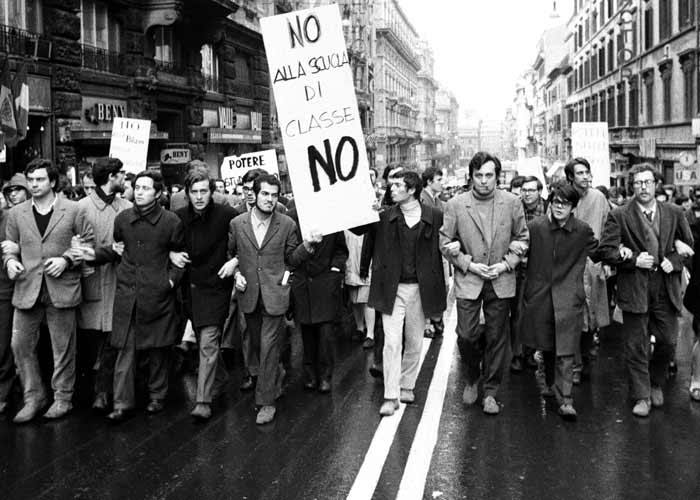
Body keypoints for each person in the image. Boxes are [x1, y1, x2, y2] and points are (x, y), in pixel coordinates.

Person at [599, 163, 693, 417]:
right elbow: (606, 250)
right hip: (635, 288)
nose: (643, 187)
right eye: (638, 183)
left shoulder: (673, 212)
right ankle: (642, 396)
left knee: (668, 341)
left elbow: (688, 247)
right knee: (636, 345)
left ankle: (655, 381)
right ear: (632, 186)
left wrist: (672, 261)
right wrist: (630, 259)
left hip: (665, 287)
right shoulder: (619, 214)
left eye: (648, 182)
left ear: (656, 184)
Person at [4, 158, 94, 423]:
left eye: (40, 179)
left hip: (61, 287)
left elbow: (87, 245)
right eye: (30, 180)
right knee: (19, 344)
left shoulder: (74, 210)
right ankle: (34, 397)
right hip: (27, 286)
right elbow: (10, 245)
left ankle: (62, 398)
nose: (34, 184)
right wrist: (10, 262)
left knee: (62, 347)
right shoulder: (17, 213)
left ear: (52, 181)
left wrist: (66, 259)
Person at [440, 152, 529, 415]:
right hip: (470, 278)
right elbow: (444, 243)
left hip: (500, 279)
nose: (484, 181)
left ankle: (490, 391)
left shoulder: (512, 202)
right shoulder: (456, 204)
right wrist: (468, 263)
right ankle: (471, 375)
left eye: (489, 175)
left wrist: (505, 264)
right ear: (471, 177)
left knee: (496, 337)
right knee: (466, 335)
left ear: (497, 177)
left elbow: (523, 239)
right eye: (478, 175)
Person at [353, 170, 446, 416]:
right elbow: (358, 229)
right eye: (391, 185)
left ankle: (407, 384)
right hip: (391, 288)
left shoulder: (434, 216)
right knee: (392, 343)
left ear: (412, 190)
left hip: (420, 289)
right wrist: (365, 210)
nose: (391, 189)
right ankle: (390, 395)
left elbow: (445, 245)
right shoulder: (383, 216)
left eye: (397, 186)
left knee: (414, 341)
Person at [228, 173, 318, 424]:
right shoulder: (237, 224)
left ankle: (265, 402)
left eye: (274, 195)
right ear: (254, 194)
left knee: (268, 348)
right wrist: (236, 274)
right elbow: (232, 254)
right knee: (259, 347)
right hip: (250, 297)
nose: (269, 199)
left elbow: (292, 260)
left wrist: (309, 245)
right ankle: (275, 373)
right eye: (264, 194)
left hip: (276, 297)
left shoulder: (287, 224)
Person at [103, 171, 185, 422]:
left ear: (158, 193)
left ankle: (157, 396)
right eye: (137, 187)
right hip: (129, 294)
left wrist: (168, 282)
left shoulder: (171, 222)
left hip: (157, 294)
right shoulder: (123, 219)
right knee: (125, 350)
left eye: (146, 188)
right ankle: (121, 402)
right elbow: (119, 247)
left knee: (158, 349)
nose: (139, 192)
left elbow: (180, 259)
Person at [522, 181, 599, 420]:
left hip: (568, 296)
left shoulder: (583, 230)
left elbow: (599, 251)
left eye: (565, 204)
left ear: (573, 207)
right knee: (546, 345)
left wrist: (624, 252)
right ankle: (550, 382)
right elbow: (520, 249)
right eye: (556, 202)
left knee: (566, 350)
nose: (559, 208)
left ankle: (566, 399)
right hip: (541, 295)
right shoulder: (535, 227)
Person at [173, 169, 238, 420]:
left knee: (209, 341)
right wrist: (172, 254)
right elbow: (166, 244)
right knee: (203, 341)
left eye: (204, 191)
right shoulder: (178, 217)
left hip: (216, 288)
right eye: (194, 192)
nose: (199, 197)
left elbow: (246, 239)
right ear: (187, 194)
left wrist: (236, 261)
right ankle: (219, 376)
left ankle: (203, 400)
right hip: (189, 290)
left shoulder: (227, 215)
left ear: (212, 192)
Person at [77, 157, 131, 413]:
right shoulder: (81, 208)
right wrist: (110, 251)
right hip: (91, 283)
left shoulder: (128, 207)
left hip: (119, 284)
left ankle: (103, 392)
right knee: (91, 341)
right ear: (111, 177)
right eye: (121, 175)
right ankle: (91, 389)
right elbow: (80, 249)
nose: (125, 180)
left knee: (113, 341)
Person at [288, 208, 348, 394]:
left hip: (325, 283)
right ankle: (309, 375)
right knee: (307, 334)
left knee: (326, 334)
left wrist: (336, 271)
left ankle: (325, 376)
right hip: (303, 285)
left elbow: (340, 250)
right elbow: (289, 256)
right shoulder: (291, 218)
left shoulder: (331, 217)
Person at [565, 157, 610, 384]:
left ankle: (587, 354)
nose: (585, 177)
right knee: (573, 317)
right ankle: (574, 364)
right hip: (569, 267)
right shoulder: (563, 198)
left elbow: (609, 227)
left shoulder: (599, 198)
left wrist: (607, 259)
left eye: (587, 172)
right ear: (571, 177)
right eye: (579, 173)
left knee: (591, 317)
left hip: (593, 265)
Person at [510, 175, 548, 372]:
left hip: (542, 269)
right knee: (518, 312)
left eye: (531, 190)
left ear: (539, 191)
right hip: (519, 268)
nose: (526, 194)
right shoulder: (514, 207)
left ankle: (530, 351)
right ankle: (516, 354)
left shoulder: (550, 208)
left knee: (537, 313)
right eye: (524, 190)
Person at [420, 166, 448, 339]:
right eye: (438, 180)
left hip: (437, 249)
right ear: (429, 182)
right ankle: (428, 322)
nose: (442, 183)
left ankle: (436, 317)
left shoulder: (438, 200)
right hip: (426, 250)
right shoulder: (422, 199)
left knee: (439, 285)